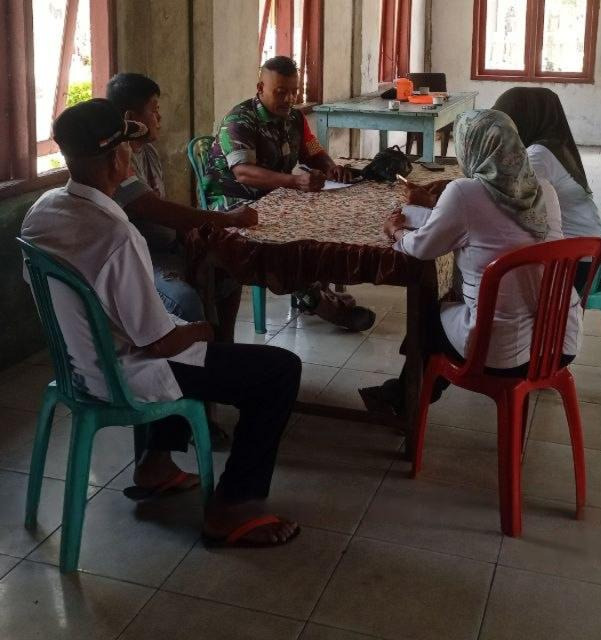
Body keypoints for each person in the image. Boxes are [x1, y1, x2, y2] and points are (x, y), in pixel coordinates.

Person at [21, 99, 301, 546]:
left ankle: (156, 465)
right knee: (278, 371)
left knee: (185, 334)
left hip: (76, 366)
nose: (130, 155)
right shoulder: (116, 235)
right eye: (127, 148)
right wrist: (204, 330)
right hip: (121, 373)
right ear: (118, 159)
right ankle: (232, 507)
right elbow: (160, 344)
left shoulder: (44, 210)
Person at [359, 109, 579, 418]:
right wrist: (430, 212)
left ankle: (408, 399)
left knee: (429, 317)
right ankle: (403, 394)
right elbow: (487, 223)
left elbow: (422, 248)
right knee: (447, 314)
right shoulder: (543, 190)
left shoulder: (465, 192)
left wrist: (395, 231)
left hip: (502, 352)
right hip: (560, 342)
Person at [205, 56, 375, 332]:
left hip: (276, 196)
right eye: (280, 92)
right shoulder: (239, 120)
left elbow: (313, 151)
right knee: (287, 234)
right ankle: (319, 301)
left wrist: (331, 168)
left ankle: (316, 285)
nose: (288, 99)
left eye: (294, 92)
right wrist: (294, 181)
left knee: (325, 215)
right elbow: (243, 172)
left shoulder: (294, 117)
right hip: (234, 202)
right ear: (260, 88)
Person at [105, 72, 254, 336]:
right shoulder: (117, 161)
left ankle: (224, 348)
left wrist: (192, 233)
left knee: (229, 266)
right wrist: (229, 219)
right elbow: (154, 209)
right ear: (131, 118)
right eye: (154, 110)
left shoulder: (148, 152)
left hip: (168, 246)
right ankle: (199, 358)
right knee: (184, 302)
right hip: (143, 256)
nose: (160, 117)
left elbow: (162, 210)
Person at [492, 87, 601, 294]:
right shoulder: (555, 146)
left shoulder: (538, 155)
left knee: (488, 264)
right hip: (592, 256)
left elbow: (509, 199)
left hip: (579, 266)